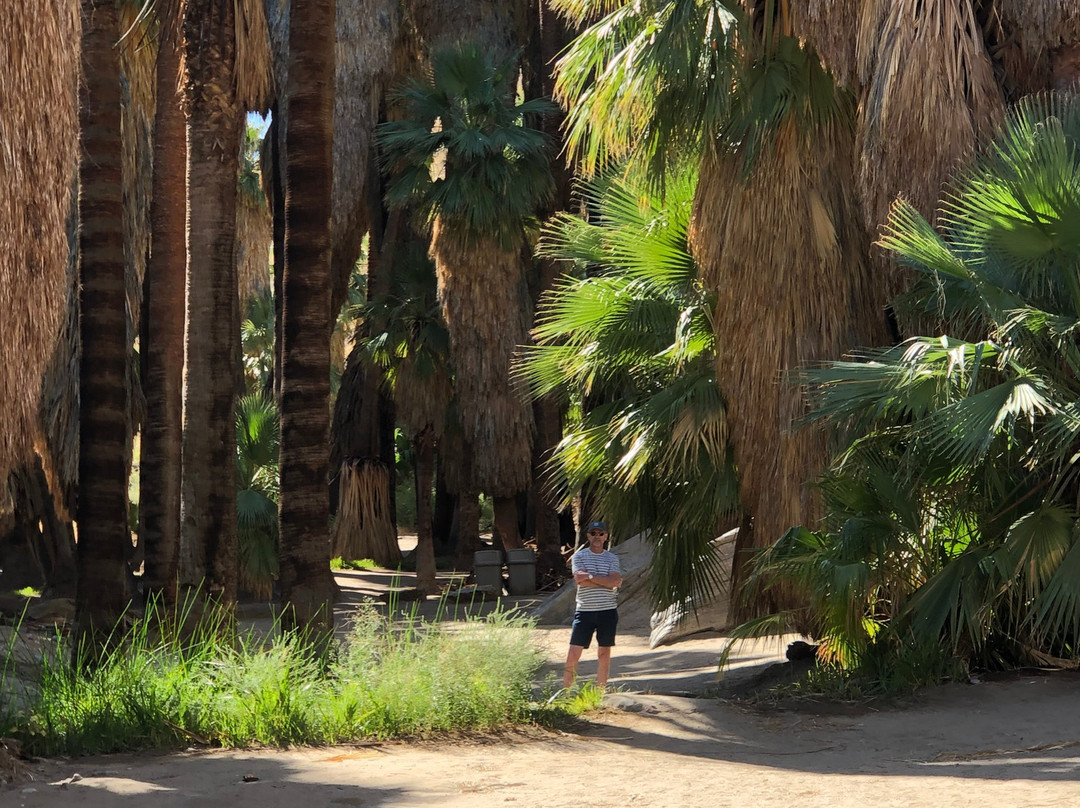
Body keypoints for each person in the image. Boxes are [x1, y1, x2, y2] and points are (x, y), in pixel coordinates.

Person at [563, 520, 622, 690]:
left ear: (606, 537)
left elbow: (615, 581)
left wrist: (589, 577)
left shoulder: (612, 558)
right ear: (588, 536)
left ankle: (600, 691)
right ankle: (567, 693)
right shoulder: (580, 556)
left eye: (601, 534)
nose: (597, 537)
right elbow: (579, 580)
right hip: (585, 611)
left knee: (604, 653)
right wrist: (603, 580)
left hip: (607, 611)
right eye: (594, 533)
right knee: (574, 652)